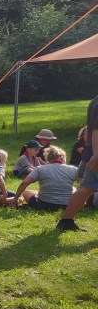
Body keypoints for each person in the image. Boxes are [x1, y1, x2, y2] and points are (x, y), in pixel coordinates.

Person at [58, 96, 98, 231]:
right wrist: (97, 154)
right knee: (86, 188)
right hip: (95, 153)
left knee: (86, 188)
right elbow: (96, 131)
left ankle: (66, 221)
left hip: (91, 153)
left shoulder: (95, 100)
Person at [13, 146, 78, 211]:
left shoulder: (40, 169)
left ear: (47, 158)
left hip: (43, 205)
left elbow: (24, 183)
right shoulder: (72, 169)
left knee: (27, 193)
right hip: (67, 205)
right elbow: (82, 184)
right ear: (62, 158)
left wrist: (15, 198)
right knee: (74, 189)